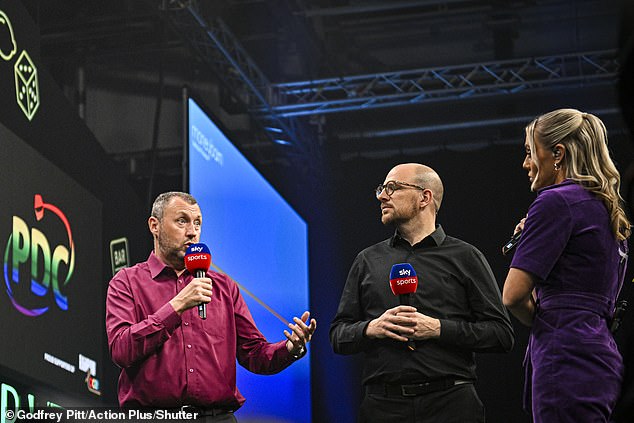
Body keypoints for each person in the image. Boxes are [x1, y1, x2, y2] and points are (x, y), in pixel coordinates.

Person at [106, 191, 316, 422]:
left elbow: (254, 354)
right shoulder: (126, 282)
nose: (192, 232)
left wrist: (290, 349)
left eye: (197, 223)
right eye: (182, 221)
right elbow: (121, 350)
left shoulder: (224, 287)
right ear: (154, 226)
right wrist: (176, 307)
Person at [329, 163, 514, 423]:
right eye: (381, 189)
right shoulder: (368, 260)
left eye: (392, 188)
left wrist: (438, 328)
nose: (383, 196)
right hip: (382, 408)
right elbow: (338, 335)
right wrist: (372, 328)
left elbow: (501, 335)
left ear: (424, 197)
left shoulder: (466, 257)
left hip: (451, 404)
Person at [502, 109, 631, 423]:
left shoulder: (555, 202)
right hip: (602, 354)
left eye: (531, 152)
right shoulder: (607, 209)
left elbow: (513, 296)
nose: (526, 164)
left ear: (557, 153)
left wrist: (549, 325)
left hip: (565, 354)